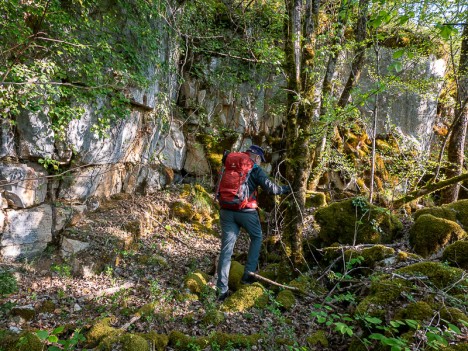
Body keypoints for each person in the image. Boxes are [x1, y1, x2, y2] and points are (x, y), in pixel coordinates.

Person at [216, 145, 291, 301]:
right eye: (260, 160)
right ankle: (248, 276)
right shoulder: (254, 168)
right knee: (256, 237)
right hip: (246, 213)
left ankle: (221, 291)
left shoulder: (230, 163)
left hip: (226, 210)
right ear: (256, 157)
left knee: (226, 250)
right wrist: (286, 189)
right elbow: (272, 189)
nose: (261, 163)